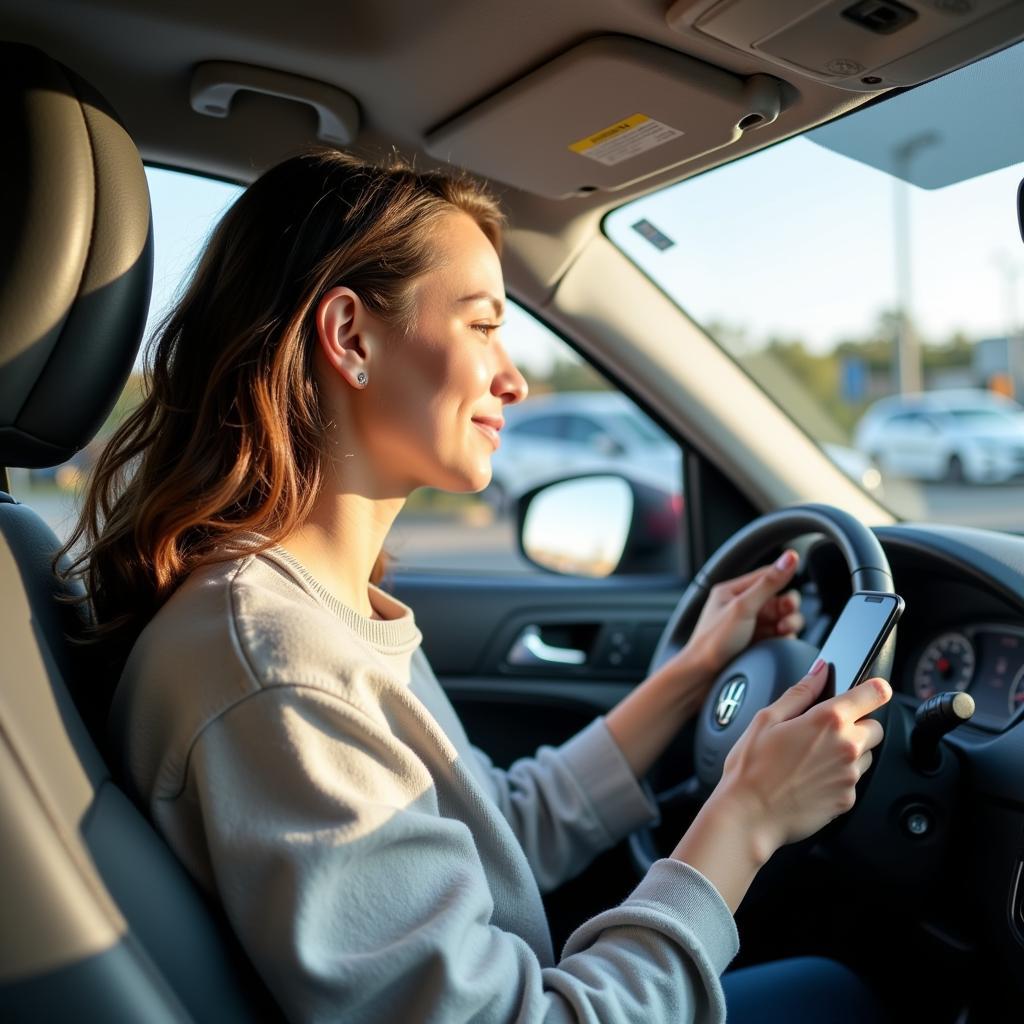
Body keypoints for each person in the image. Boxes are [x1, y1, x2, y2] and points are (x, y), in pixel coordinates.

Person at [60, 149, 890, 1024]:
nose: (515, 378)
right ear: (350, 338)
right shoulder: (276, 665)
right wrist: (750, 816)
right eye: (483, 324)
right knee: (848, 994)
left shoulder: (305, 616)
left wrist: (686, 677)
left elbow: (498, 830)